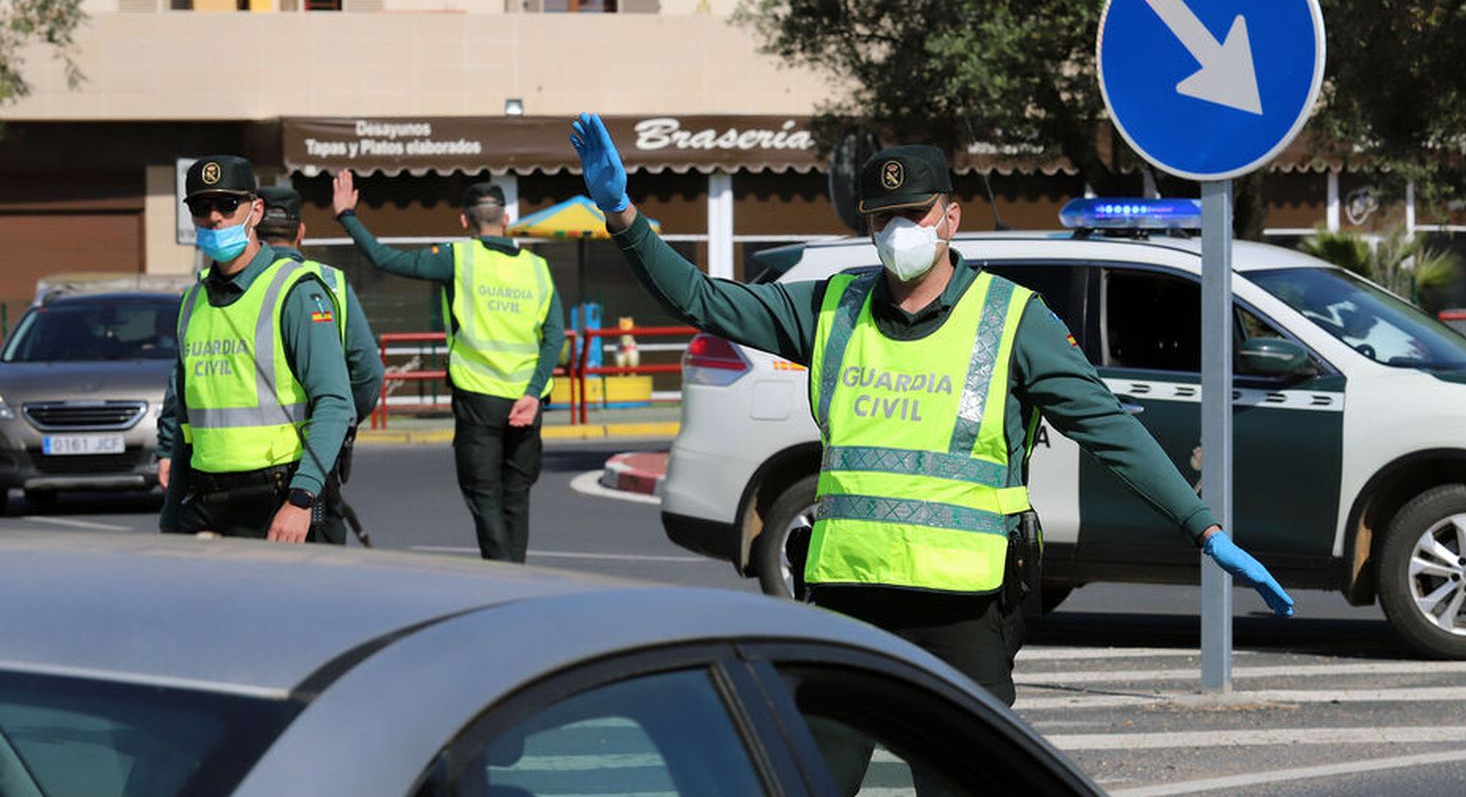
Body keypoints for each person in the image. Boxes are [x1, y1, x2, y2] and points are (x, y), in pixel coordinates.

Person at [571, 113, 1293, 704]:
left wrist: (1202, 529)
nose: (896, 231)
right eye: (881, 218)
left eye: (912, 214)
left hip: (966, 606)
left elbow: (1105, 428)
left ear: (949, 217)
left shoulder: (1013, 319)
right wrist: (623, 214)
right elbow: (700, 299)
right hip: (850, 594)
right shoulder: (831, 306)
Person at [332, 170, 565, 563]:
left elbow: (384, 258)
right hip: (527, 402)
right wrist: (532, 393)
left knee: (484, 494)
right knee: (516, 496)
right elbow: (555, 336)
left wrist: (347, 216)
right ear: (505, 218)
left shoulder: (457, 258)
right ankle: (517, 574)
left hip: (479, 400)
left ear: (464, 221)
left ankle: (502, 576)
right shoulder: (537, 269)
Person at [157, 184, 385, 543]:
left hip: (285, 488)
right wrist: (334, 438)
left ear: (257, 215)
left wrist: (318, 452)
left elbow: (176, 398)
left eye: (227, 205)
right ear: (301, 232)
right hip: (217, 497)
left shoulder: (301, 288)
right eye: (202, 206)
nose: (214, 216)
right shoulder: (197, 299)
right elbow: (368, 375)